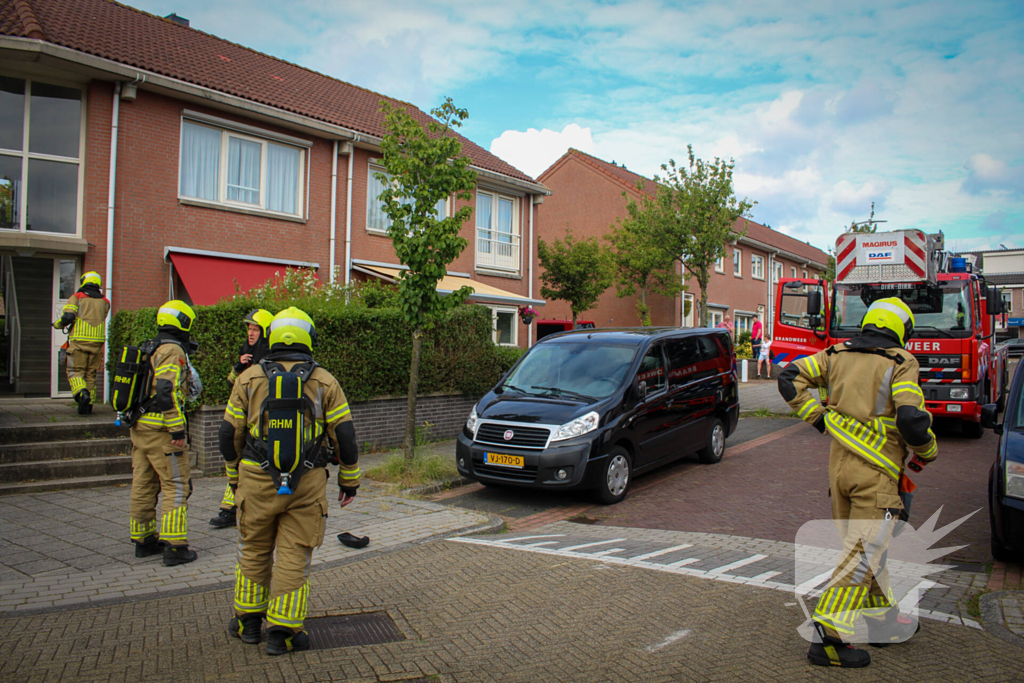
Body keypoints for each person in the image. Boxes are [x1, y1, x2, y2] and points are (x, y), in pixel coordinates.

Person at [778, 297, 937, 668]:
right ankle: (828, 637)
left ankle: (883, 621)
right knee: (863, 553)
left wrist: (818, 418)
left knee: (866, 548)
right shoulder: (902, 362)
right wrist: (927, 451)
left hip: (840, 472)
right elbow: (912, 420)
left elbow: (788, 377)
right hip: (876, 475)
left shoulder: (835, 354)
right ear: (902, 330)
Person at [220, 307, 360, 655]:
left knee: (253, 549)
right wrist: (349, 481)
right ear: (308, 339)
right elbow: (345, 437)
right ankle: (282, 632)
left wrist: (233, 478)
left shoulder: (248, 378)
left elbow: (227, 435)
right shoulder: (325, 381)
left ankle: (248, 622)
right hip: (307, 483)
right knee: (295, 554)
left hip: (255, 479)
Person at [129, 300, 199, 567]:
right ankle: (175, 546)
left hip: (141, 427)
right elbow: (165, 390)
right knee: (176, 484)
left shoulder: (150, 346)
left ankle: (143, 539)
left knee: (143, 483)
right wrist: (177, 428)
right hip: (163, 431)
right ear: (183, 322)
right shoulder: (171, 350)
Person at [211, 309, 273, 529]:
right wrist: (238, 367)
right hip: (240, 418)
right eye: (249, 329)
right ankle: (229, 508)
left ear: (265, 332)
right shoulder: (246, 355)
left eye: (255, 329)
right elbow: (231, 385)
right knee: (237, 461)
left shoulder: (269, 359)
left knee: (244, 462)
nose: (250, 333)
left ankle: (231, 508)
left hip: (256, 422)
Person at [53, 271, 110, 415]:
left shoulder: (76, 298)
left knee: (75, 372)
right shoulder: (105, 301)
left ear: (84, 281)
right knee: (90, 374)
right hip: (97, 343)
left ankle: (82, 393)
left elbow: (68, 317)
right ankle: (87, 406)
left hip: (79, 341)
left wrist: (57, 325)